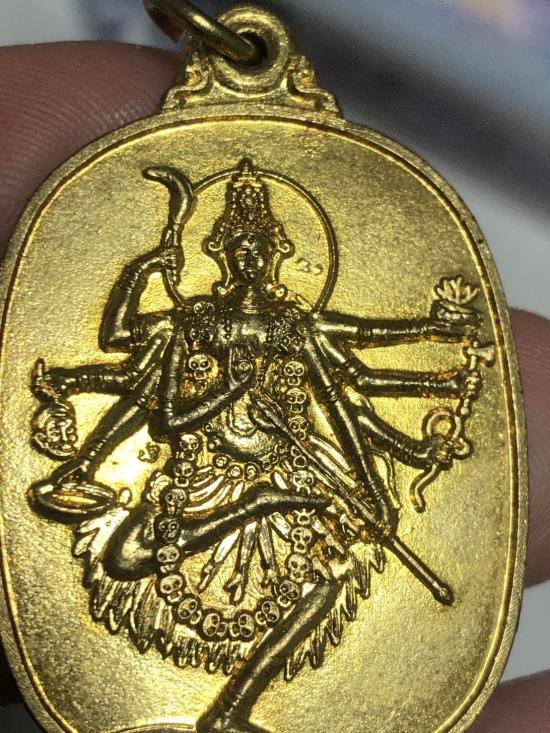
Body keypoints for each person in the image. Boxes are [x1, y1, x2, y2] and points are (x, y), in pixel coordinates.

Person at [0, 44, 548, 732]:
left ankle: (234, 709)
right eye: (238, 247)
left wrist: (435, 346)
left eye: (261, 247)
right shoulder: (195, 321)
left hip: (288, 478)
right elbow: (131, 359)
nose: (251, 256)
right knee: (126, 556)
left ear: (282, 252)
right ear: (219, 252)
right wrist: (145, 268)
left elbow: (353, 373)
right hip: (198, 482)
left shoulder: (295, 324)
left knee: (329, 581)